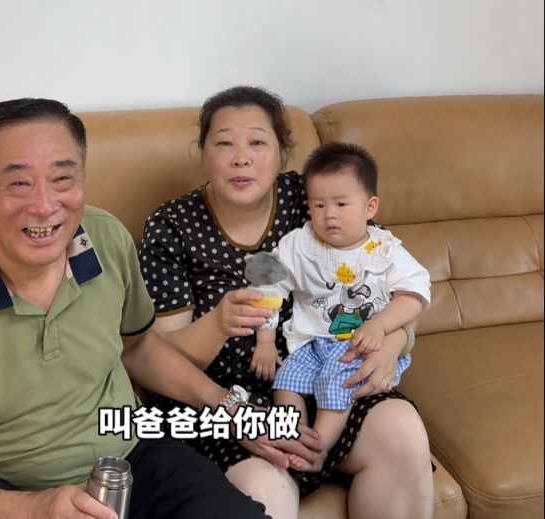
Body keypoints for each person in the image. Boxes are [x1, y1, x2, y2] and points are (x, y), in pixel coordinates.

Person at [0, 98, 309, 519]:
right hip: (4, 494)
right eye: (19, 183)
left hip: (131, 457)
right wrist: (37, 508)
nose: (44, 206)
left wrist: (228, 407)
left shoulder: (106, 237)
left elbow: (136, 348)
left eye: (62, 179)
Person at [138, 86, 434, 519]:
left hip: (328, 378)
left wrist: (396, 340)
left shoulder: (316, 197)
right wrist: (218, 325)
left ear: (282, 153)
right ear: (203, 153)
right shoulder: (172, 227)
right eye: (224, 143)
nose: (241, 159)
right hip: (227, 403)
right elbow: (157, 359)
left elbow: (400, 285)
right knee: (266, 487)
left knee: (402, 430)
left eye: (258, 142)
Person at [255, 142, 431, 474]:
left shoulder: (384, 249)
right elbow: (267, 284)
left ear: (370, 207)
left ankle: (317, 451)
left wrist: (379, 326)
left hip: (361, 346)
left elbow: (415, 294)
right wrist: (265, 341)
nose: (329, 214)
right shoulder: (299, 244)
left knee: (339, 381)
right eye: (318, 205)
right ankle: (292, 436)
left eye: (340, 204)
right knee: (285, 381)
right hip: (310, 343)